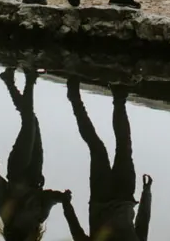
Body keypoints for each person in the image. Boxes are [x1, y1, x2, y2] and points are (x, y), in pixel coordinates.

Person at [61, 79, 153, 240]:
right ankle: (119, 98)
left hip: (101, 199)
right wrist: (146, 193)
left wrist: (66, 204)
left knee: (98, 149)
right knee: (123, 146)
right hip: (124, 197)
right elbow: (143, 224)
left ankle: (75, 98)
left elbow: (77, 233)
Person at [0, 67, 70, 241]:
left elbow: (0, 196)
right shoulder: (37, 220)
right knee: (32, 121)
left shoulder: (10, 220)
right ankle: (10, 81)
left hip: (17, 171)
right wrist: (62, 198)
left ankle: (29, 78)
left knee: (29, 122)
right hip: (34, 174)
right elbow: (48, 198)